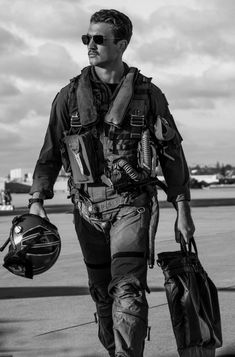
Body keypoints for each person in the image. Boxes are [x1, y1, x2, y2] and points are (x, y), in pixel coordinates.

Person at [29, 9, 195, 357]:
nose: (90, 44)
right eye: (86, 38)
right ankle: (113, 349)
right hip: (86, 208)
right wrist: (37, 201)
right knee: (102, 292)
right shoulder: (68, 96)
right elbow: (49, 151)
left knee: (129, 288)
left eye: (99, 39)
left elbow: (172, 155)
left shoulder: (149, 95)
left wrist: (183, 209)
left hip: (131, 205)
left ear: (121, 44)